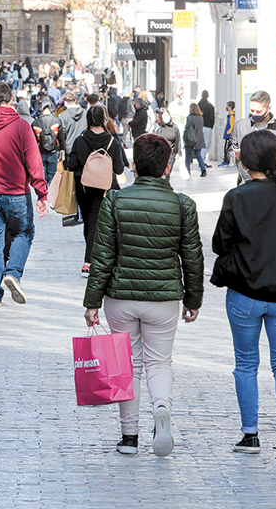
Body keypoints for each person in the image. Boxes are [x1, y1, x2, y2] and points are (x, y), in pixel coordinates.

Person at [83, 133, 203, 457]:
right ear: (167, 168)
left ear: (134, 166)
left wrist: (92, 302)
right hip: (163, 299)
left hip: (120, 297)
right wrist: (193, 300)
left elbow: (102, 255)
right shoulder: (182, 205)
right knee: (159, 362)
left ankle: (129, 438)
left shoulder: (115, 201)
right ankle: (161, 406)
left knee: (128, 365)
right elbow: (192, 257)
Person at [210, 130, 276, 460]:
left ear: (244, 162)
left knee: (246, 363)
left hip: (245, 293)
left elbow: (219, 244)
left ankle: (250, 434)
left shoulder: (236, 197)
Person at [0, 82, 48, 307]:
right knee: (24, 232)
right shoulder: (22, 126)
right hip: (16, 193)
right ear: (11, 100)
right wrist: (42, 193)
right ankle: (13, 272)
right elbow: (33, 161)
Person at [65, 106, 126, 278]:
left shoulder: (80, 140)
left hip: (83, 187)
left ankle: (89, 261)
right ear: (104, 120)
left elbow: (71, 165)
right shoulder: (112, 142)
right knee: (96, 222)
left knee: (89, 221)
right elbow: (119, 168)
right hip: (104, 188)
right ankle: (91, 261)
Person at [230, 90, 276, 184]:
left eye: (259, 111)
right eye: (252, 110)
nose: (254, 114)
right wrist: (237, 156)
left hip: (273, 185)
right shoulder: (240, 126)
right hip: (247, 183)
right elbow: (230, 153)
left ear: (269, 108)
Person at [31, 101, 65, 185]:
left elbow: (33, 140)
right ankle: (51, 191)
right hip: (53, 151)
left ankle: (44, 191)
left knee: (43, 176)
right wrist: (62, 150)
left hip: (40, 152)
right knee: (52, 175)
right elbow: (61, 138)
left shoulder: (35, 122)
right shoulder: (57, 121)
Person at [153, 110, 180, 182]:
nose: (166, 117)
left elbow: (178, 140)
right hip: (160, 153)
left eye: (167, 115)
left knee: (168, 172)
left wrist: (179, 152)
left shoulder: (174, 127)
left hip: (171, 152)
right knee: (160, 171)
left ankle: (166, 184)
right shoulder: (158, 127)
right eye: (164, 115)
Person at [57, 91, 87, 157]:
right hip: (84, 147)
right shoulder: (86, 113)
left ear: (65, 102)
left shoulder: (63, 116)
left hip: (69, 149)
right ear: (75, 100)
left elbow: (62, 134)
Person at [183, 103, 207, 177]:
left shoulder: (190, 117)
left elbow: (187, 129)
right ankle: (203, 169)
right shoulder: (201, 117)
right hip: (199, 139)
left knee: (188, 156)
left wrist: (185, 139)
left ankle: (187, 171)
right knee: (198, 155)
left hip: (191, 139)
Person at [198, 91, 215, 165]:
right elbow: (212, 118)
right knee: (206, 145)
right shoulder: (210, 106)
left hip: (199, 127)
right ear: (207, 96)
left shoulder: (198, 105)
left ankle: (200, 160)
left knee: (200, 145)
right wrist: (211, 125)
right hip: (207, 126)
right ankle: (201, 161)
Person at [219, 101, 236, 167]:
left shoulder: (231, 116)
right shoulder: (229, 115)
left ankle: (226, 161)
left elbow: (232, 126)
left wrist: (228, 132)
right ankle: (225, 160)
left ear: (230, 107)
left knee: (226, 148)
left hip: (228, 135)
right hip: (227, 135)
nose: (226, 108)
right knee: (226, 148)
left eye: (227, 106)